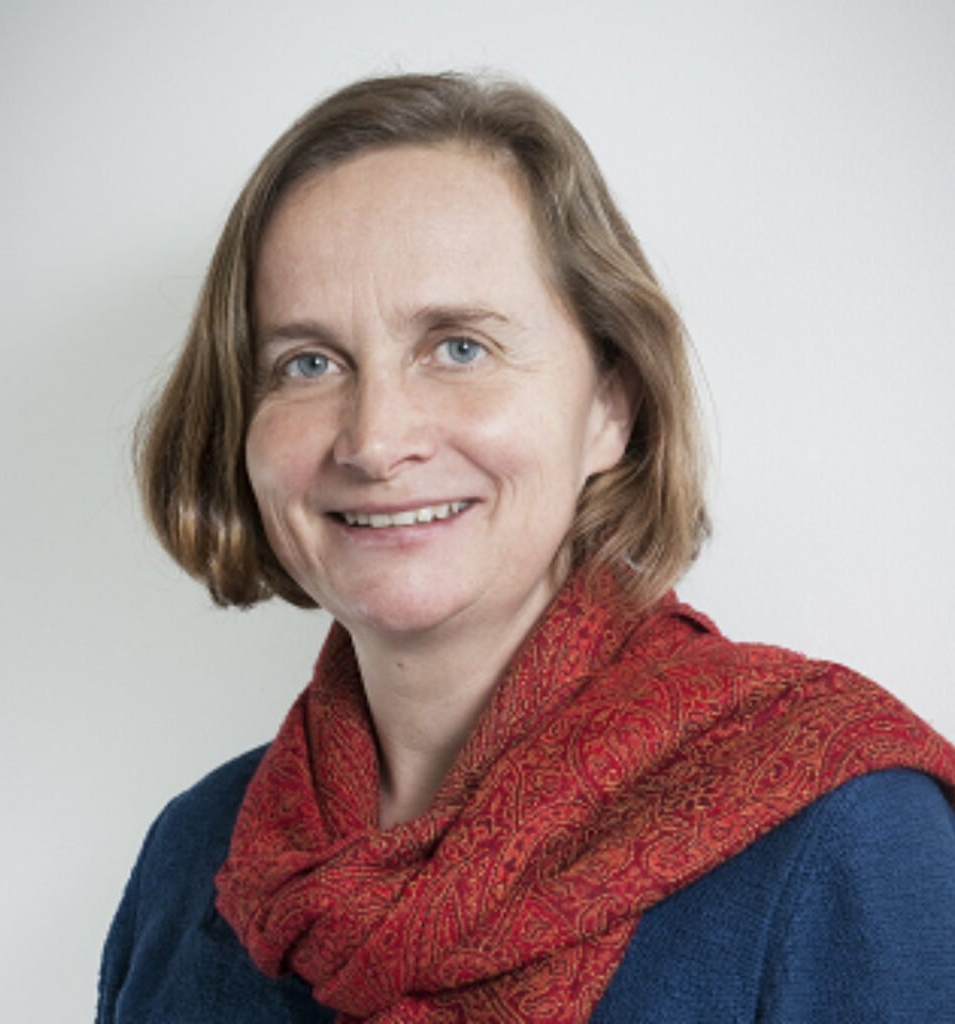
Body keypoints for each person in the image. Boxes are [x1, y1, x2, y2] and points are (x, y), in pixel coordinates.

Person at [97, 73, 955, 1023]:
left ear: (610, 408)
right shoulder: (197, 856)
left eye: (459, 347)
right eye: (308, 363)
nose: (375, 441)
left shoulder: (841, 836)